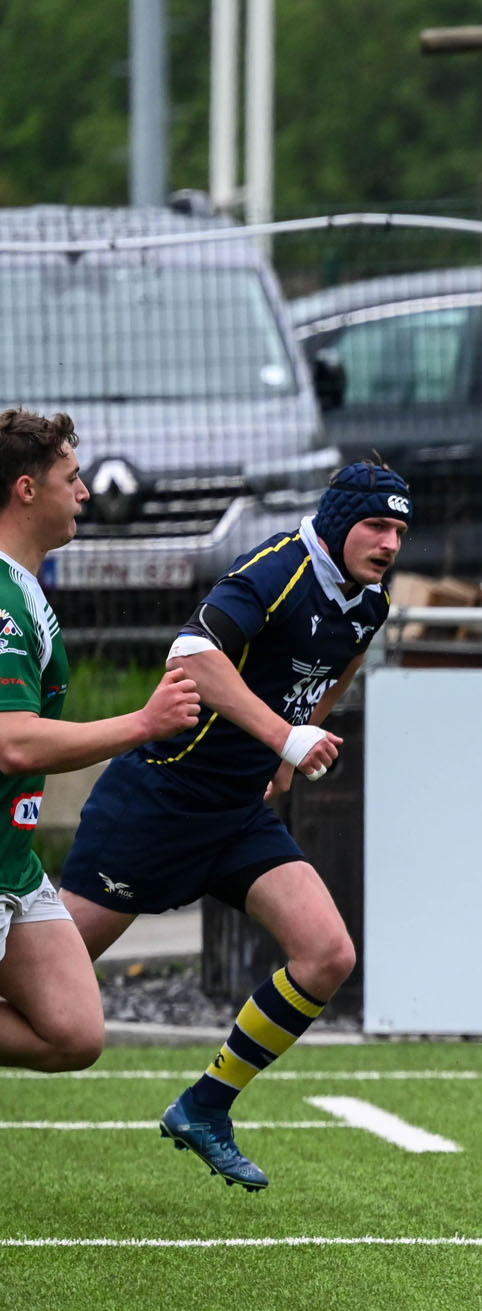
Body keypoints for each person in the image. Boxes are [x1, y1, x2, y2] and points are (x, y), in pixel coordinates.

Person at [60, 461, 410, 1191]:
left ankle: (205, 1107)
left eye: (400, 531)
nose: (389, 543)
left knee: (328, 954)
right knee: (45, 980)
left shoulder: (370, 600)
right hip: (160, 802)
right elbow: (190, 655)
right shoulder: (278, 569)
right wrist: (285, 736)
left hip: (237, 814)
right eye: (377, 525)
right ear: (340, 523)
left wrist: (287, 751)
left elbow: (339, 668)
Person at [0, 409, 201, 1072]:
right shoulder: (2, 602)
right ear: (27, 490)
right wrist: (144, 722)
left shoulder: (24, 588)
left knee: (75, 1030)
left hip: (13, 862)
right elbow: (13, 743)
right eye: (73, 478)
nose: (87, 493)